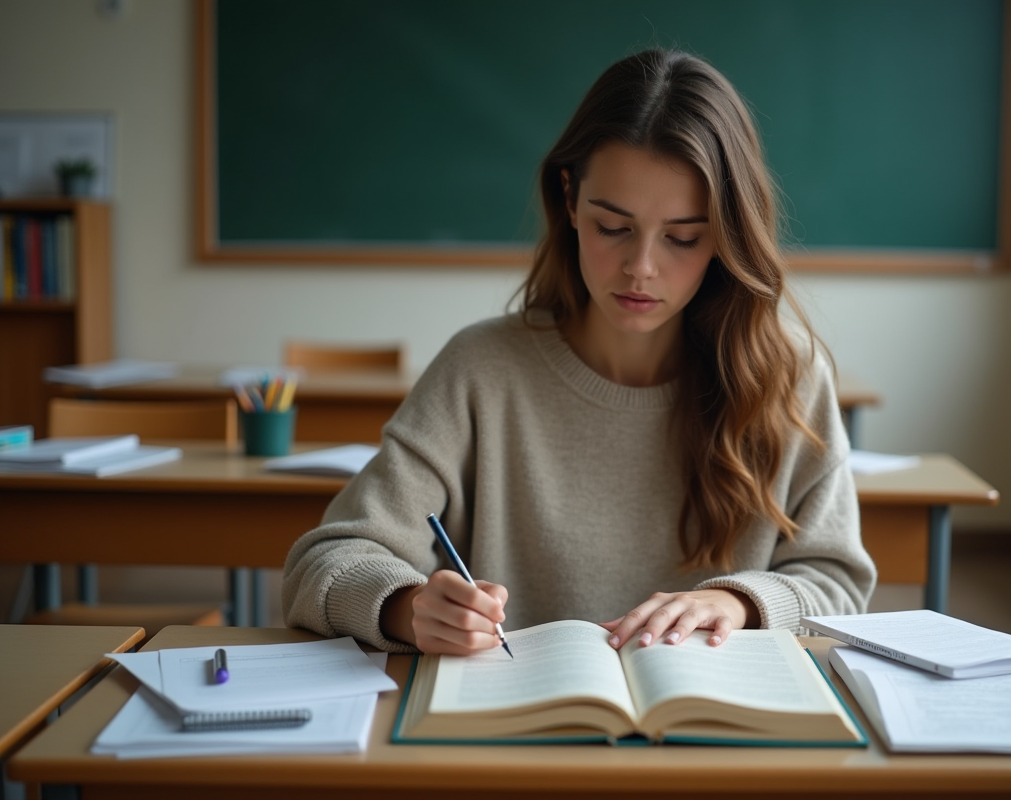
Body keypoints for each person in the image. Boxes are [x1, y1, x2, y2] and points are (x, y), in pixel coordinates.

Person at [282, 48, 876, 656]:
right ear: (568, 200)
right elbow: (323, 562)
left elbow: (838, 583)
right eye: (612, 227)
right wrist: (406, 607)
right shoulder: (481, 370)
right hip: (516, 726)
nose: (640, 268)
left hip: (715, 737)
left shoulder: (790, 376)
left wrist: (738, 603)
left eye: (683, 238)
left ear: (725, 236)